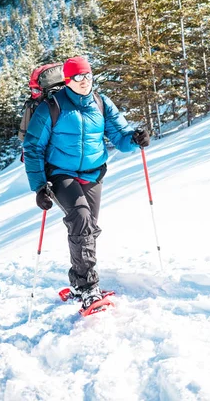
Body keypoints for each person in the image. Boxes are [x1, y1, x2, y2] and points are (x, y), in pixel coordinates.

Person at [23, 56, 150, 309]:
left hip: (93, 174)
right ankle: (88, 287)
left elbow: (120, 136)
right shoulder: (51, 107)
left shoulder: (101, 104)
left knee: (89, 229)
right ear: (68, 80)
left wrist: (135, 139)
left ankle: (78, 282)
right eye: (78, 77)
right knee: (80, 218)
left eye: (88, 76)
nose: (84, 82)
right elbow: (33, 147)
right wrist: (39, 186)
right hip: (60, 174)